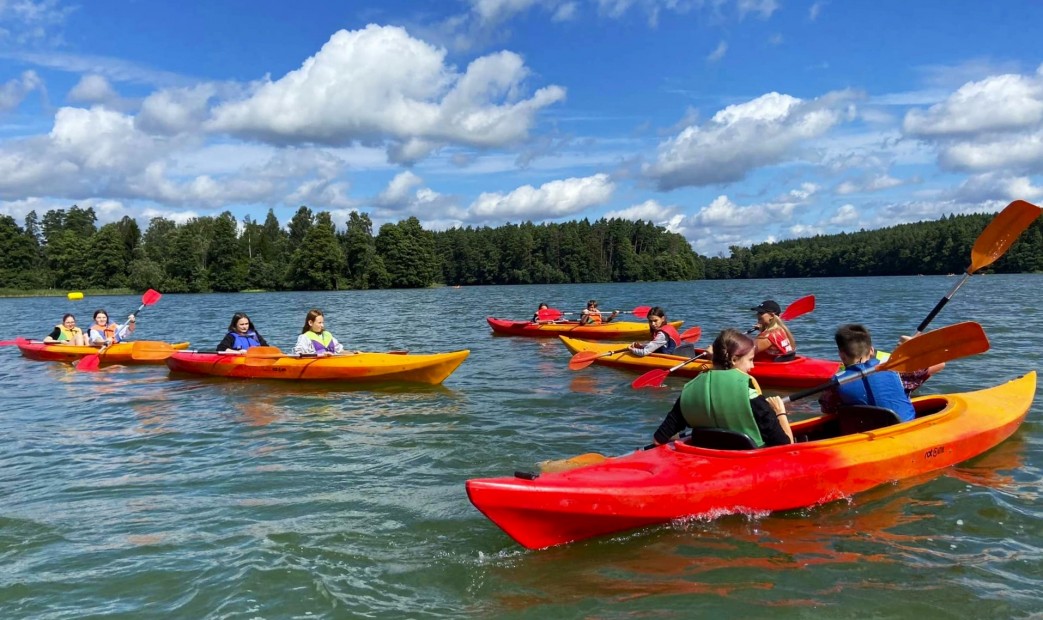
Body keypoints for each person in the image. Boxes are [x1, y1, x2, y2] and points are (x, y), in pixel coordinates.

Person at [652, 328, 793, 447]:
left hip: (707, 465)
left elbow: (659, 440)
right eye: (750, 360)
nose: (752, 366)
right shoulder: (751, 397)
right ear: (734, 360)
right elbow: (786, 448)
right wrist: (780, 412)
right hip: (747, 468)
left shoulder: (689, 392)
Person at [817, 324, 917, 422]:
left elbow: (826, 410)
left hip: (864, 432)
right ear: (872, 350)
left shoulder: (836, 382)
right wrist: (910, 349)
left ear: (842, 356)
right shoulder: (895, 370)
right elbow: (923, 373)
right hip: (904, 428)